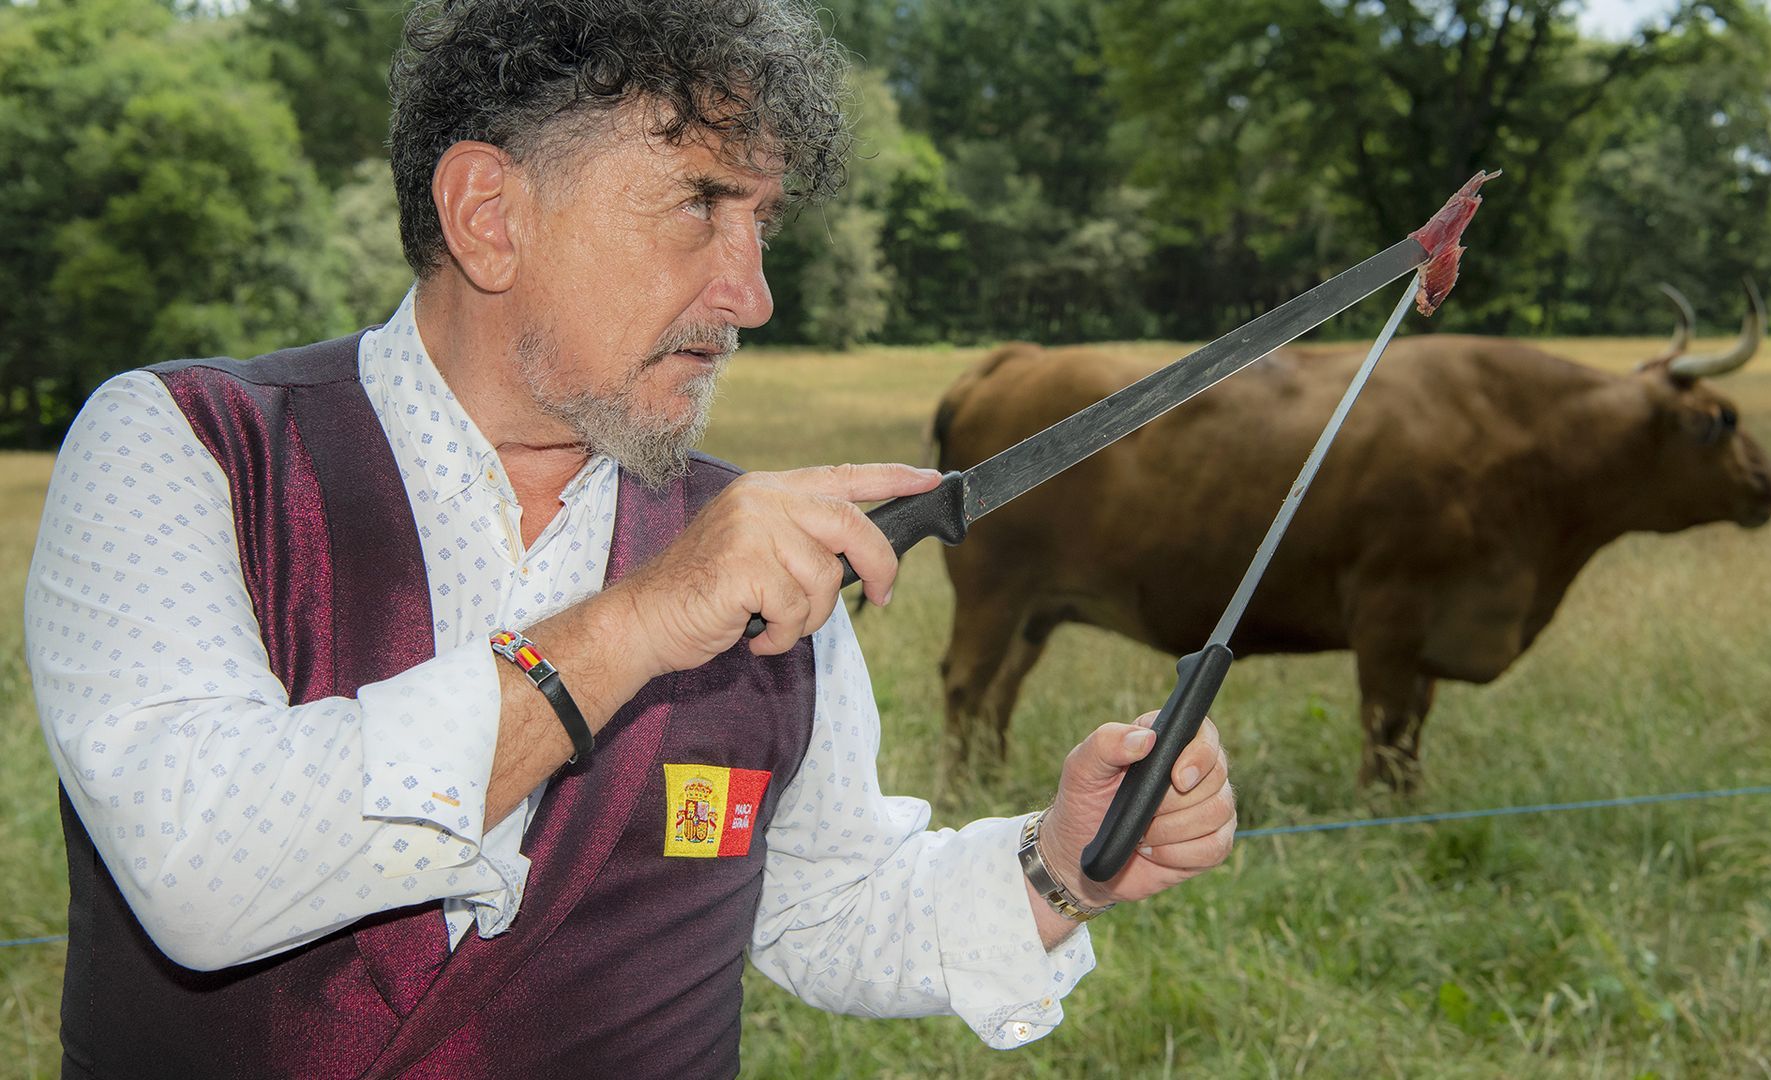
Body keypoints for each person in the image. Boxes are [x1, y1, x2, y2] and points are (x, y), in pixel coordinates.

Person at [24, 1, 1236, 1076]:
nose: (750, 293)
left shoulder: (749, 551)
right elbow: (196, 872)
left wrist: (1059, 863)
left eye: (761, 221)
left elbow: (826, 906)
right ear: (490, 215)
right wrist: (642, 621)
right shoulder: (187, 451)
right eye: (701, 205)